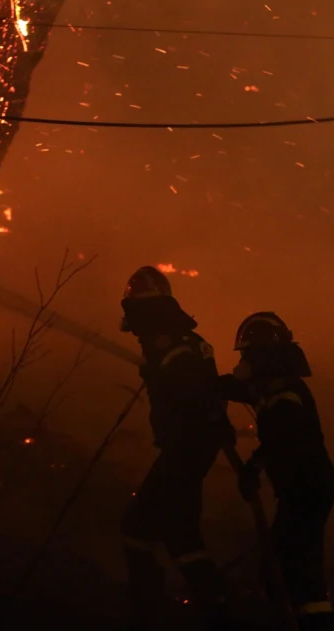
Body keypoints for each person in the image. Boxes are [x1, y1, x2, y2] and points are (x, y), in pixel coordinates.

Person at [118, 265, 236, 630]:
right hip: (192, 447)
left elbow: (192, 393)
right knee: (181, 532)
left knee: (136, 525)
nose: (134, 325)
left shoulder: (168, 340)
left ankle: (146, 611)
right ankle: (216, 609)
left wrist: (161, 376)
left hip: (185, 448)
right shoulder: (177, 338)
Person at [221, 312, 334, 631]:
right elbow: (237, 388)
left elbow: (281, 439)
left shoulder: (285, 396)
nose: (243, 360)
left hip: (306, 491)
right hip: (304, 490)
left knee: (288, 571)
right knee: (285, 570)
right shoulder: (273, 386)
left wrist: (253, 468)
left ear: (263, 357)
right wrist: (204, 385)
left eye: (247, 354)